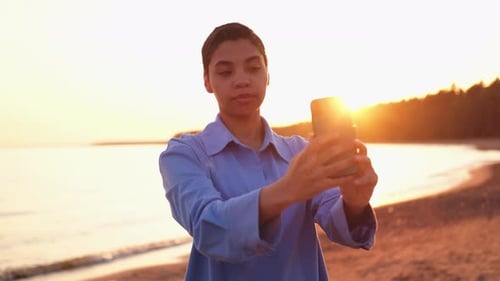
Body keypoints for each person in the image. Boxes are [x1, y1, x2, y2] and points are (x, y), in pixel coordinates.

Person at [159, 22, 378, 281]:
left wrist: (354, 202)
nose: (241, 80)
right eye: (225, 72)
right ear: (207, 81)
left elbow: (341, 224)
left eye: (253, 68)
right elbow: (208, 228)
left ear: (268, 75)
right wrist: (288, 189)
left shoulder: (300, 152)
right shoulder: (185, 154)